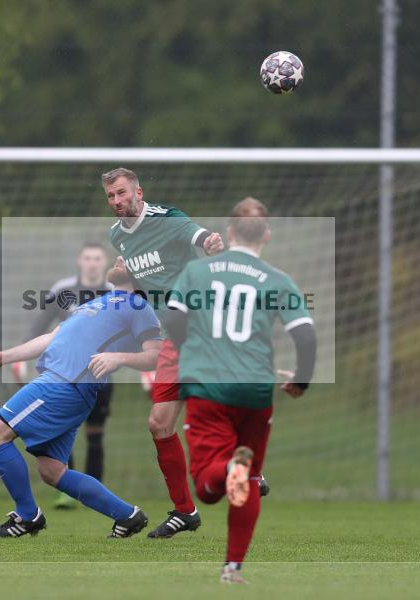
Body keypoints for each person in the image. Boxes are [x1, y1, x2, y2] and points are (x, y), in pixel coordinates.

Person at [163, 197, 317, 583]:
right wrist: (301, 379)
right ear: (266, 234)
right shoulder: (277, 279)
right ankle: (232, 568)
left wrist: (190, 351)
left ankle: (230, 467)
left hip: (209, 387)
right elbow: (306, 335)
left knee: (208, 488)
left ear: (229, 232)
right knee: (248, 480)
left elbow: (173, 318)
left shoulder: (197, 273)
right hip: (255, 390)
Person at [0, 262, 161, 539]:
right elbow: (52, 337)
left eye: (125, 259)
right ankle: (127, 516)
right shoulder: (102, 301)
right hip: (67, 386)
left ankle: (27, 517)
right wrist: (4, 356)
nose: (117, 260)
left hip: (63, 384)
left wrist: (119, 358)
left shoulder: (138, 306)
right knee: (52, 471)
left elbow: (156, 354)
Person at [103, 167, 224, 538]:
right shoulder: (116, 237)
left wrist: (211, 241)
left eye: (123, 193)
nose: (117, 201)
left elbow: (199, 235)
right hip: (171, 335)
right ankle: (185, 512)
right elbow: (144, 283)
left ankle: (247, 465)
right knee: (159, 424)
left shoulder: (167, 219)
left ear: (139, 192)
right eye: (111, 196)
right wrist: (120, 278)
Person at [22, 242, 115, 509]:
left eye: (97, 258)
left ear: (104, 261)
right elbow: (40, 326)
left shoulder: (115, 294)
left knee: (95, 433)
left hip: (100, 375)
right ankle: (67, 491)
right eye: (88, 258)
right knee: (64, 430)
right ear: (80, 261)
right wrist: (22, 358)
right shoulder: (63, 291)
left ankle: (94, 492)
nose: (92, 263)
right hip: (64, 375)